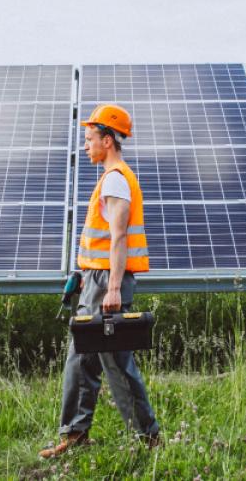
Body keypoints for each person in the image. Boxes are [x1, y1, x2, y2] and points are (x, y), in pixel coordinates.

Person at [39, 104, 161, 458]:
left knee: (113, 360)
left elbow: (120, 237)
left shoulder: (116, 179)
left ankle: (148, 438)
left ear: (107, 141)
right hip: (96, 278)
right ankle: (75, 434)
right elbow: (104, 240)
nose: (85, 145)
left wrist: (110, 289)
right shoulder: (111, 178)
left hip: (108, 281)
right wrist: (85, 273)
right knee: (82, 356)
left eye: (90, 138)